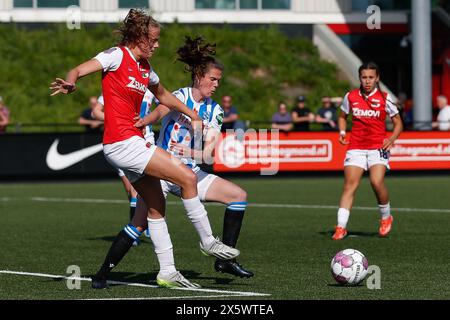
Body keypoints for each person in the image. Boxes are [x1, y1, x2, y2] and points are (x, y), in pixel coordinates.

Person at [50, 9, 239, 289]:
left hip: (130, 144)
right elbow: (78, 69)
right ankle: (208, 242)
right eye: (154, 39)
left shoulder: (146, 69)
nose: (157, 44)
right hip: (124, 142)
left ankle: (167, 271)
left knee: (156, 206)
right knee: (187, 177)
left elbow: (164, 96)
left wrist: (195, 115)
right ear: (139, 37)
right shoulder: (116, 55)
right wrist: (71, 81)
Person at [135, 36, 253, 278]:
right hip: (164, 170)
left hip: (191, 173)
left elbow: (209, 152)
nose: (217, 84)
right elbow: (159, 111)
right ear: (199, 76)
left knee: (239, 196)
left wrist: (192, 153)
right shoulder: (179, 96)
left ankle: (224, 259)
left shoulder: (216, 111)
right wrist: (144, 122)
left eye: (219, 80)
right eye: (213, 79)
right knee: (137, 225)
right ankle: (105, 272)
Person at [332, 62, 403, 240]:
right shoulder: (351, 96)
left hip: (377, 147)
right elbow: (342, 117)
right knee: (350, 185)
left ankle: (386, 217)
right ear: (360, 78)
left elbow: (398, 123)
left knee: (376, 182)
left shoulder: (385, 98)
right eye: (364, 77)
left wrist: (392, 138)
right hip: (356, 147)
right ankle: (341, 227)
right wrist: (342, 132)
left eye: (371, 77)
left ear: (377, 78)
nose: (367, 81)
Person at [93, 91, 155, 244]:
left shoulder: (150, 84)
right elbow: (96, 112)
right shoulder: (115, 85)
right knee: (131, 191)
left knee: (145, 189)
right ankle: (140, 224)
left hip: (146, 141)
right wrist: (117, 120)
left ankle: (139, 228)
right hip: (122, 141)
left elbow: (165, 106)